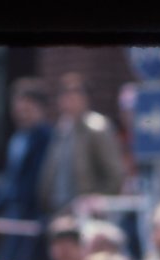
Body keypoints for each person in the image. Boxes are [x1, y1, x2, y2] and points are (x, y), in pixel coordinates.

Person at [0, 77, 54, 260]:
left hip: (36, 215)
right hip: (15, 214)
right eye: (18, 109)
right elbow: (10, 179)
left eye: (27, 109)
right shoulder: (18, 138)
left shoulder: (49, 137)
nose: (21, 115)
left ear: (40, 108)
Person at [36, 73, 125, 220]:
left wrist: (95, 201)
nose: (68, 101)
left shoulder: (97, 127)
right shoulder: (61, 129)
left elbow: (115, 175)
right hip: (59, 211)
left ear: (85, 99)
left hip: (86, 214)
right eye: (64, 95)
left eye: (74, 95)